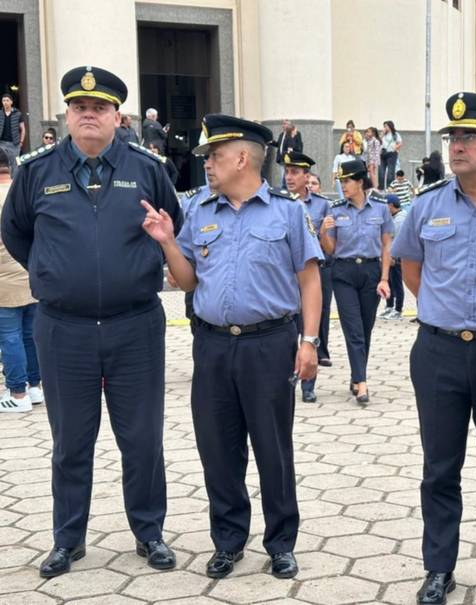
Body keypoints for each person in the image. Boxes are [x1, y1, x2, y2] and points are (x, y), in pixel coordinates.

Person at [0, 65, 182, 577]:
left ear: (116, 116)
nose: (88, 115)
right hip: (64, 329)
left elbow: (173, 227)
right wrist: (54, 270)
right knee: (71, 442)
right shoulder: (37, 171)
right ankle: (68, 539)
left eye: (99, 108)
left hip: (135, 326)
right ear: (66, 114)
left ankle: (149, 533)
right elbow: (16, 233)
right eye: (79, 107)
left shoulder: (148, 167)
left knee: (142, 440)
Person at [142, 114, 323, 580]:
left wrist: (308, 342)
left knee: (272, 448)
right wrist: (167, 243)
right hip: (213, 346)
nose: (206, 164)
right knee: (218, 449)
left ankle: (281, 542)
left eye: (214, 156)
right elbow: (186, 281)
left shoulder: (285, 211)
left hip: (269, 344)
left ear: (242, 158)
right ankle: (228, 541)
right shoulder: (200, 211)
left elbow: (309, 280)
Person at [392, 92, 476, 605]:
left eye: (470, 137)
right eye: (453, 137)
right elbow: (410, 269)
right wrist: (446, 314)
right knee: (439, 467)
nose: (457, 146)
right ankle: (438, 568)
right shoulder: (426, 205)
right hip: (439, 352)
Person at [320, 159, 392, 404]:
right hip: (343, 273)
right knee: (353, 329)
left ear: (360, 181)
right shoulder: (336, 209)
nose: (343, 186)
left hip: (371, 272)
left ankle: (355, 374)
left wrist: (384, 278)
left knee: (366, 328)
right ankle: (362, 383)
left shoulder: (381, 208)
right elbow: (330, 249)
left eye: (347, 180)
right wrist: (323, 232)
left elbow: (386, 245)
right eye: (341, 181)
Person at [283, 150, 335, 403]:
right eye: (286, 172)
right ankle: (288, 379)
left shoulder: (322, 205)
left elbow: (327, 247)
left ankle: (308, 385)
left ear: (307, 177)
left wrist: (324, 232)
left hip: (314, 274)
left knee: (311, 328)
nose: (289, 177)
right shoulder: (279, 203)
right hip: (286, 278)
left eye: (295, 172)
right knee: (286, 329)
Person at [0, 148, 41, 413]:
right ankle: (35, 387)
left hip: (3, 280)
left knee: (10, 337)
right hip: (30, 274)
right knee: (30, 335)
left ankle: (17, 392)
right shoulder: (22, 194)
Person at [380, 193, 406, 320]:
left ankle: (398, 309)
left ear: (390, 206)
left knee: (397, 284)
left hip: (396, 258)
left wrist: (392, 257)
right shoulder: (392, 218)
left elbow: (395, 240)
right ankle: (389, 307)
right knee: (389, 282)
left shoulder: (400, 219)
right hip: (390, 257)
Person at [0, 93, 25, 177]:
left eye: (7, 100)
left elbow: (23, 129)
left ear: (11, 102)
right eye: (3, 100)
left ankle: (14, 182)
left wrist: (21, 142)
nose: (5, 102)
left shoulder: (18, 114)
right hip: (2, 143)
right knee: (5, 162)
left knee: (15, 163)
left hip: (14, 143)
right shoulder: (0, 113)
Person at [380, 120, 402, 188]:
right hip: (383, 153)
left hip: (391, 153)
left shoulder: (395, 134)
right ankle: (381, 187)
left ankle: (390, 187)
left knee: (390, 172)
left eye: (386, 126)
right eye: (384, 126)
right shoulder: (383, 134)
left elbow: (400, 143)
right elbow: (379, 141)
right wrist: (382, 134)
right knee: (381, 172)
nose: (385, 128)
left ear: (390, 126)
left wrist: (395, 148)